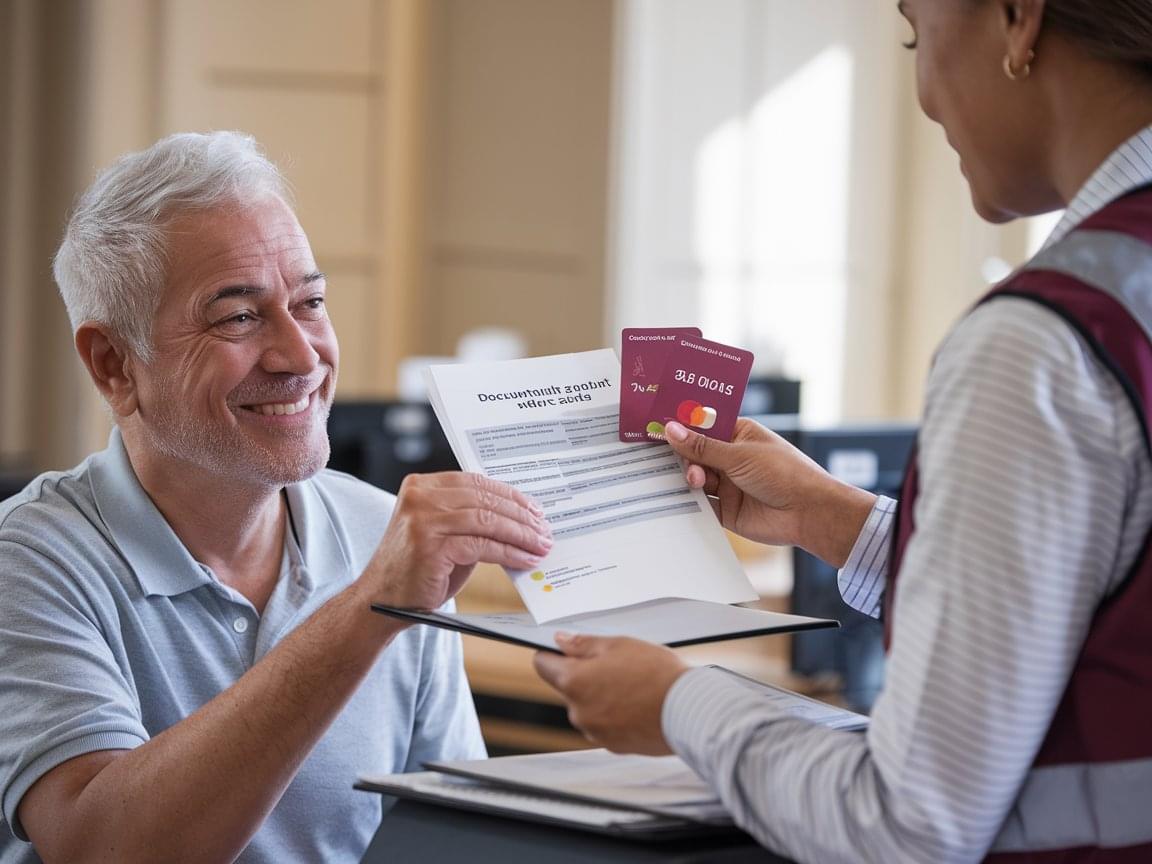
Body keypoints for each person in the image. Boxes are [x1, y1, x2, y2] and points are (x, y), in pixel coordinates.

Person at [534, 1, 1152, 861]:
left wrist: (680, 704)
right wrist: (835, 522)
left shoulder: (1042, 340)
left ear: (1017, 20)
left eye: (913, 32)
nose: (926, 95)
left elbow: (905, 827)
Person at [0, 131, 554, 864]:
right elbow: (104, 847)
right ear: (113, 366)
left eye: (311, 302)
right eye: (237, 317)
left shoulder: (385, 532)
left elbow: (459, 838)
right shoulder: (27, 562)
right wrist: (366, 612)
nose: (302, 357)